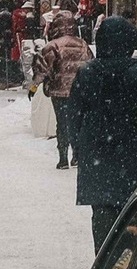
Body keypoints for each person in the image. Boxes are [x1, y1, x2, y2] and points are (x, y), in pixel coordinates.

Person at [67, 15, 137, 250]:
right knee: (133, 213)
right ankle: (128, 262)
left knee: (102, 217)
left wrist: (78, 147)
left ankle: (104, 263)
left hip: (97, 155)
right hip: (132, 153)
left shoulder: (87, 73)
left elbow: (74, 115)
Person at [32, 11, 93, 170]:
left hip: (59, 91)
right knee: (78, 122)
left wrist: (34, 86)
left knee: (62, 123)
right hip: (80, 91)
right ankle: (77, 155)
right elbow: (91, 66)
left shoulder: (52, 46)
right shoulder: (83, 45)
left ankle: (63, 158)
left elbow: (42, 69)